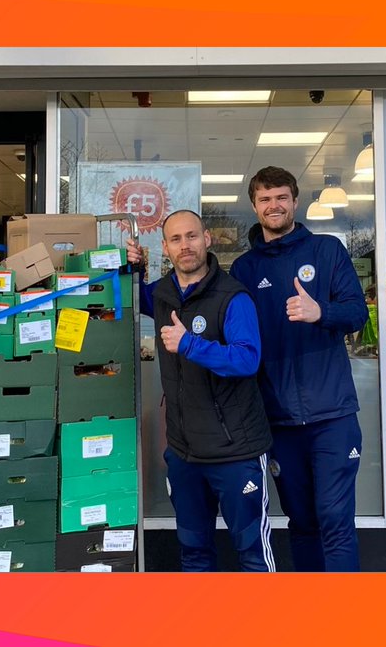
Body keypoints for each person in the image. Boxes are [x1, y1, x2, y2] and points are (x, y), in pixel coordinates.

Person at [231, 166, 368, 572]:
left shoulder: (327, 251)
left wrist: (319, 310)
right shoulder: (244, 270)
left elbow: (357, 312)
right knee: (302, 523)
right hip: (278, 421)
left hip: (333, 415)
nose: (274, 205)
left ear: (294, 201)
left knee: (335, 520)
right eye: (265, 199)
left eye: (281, 197)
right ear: (255, 207)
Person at [136, 210, 275, 572]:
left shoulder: (233, 297)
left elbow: (247, 360)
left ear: (207, 239)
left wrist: (189, 344)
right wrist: (132, 267)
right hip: (185, 455)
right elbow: (134, 298)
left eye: (192, 236)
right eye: (177, 239)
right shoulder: (163, 293)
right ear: (165, 247)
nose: (186, 246)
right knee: (194, 554)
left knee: (253, 555)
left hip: (235, 452)